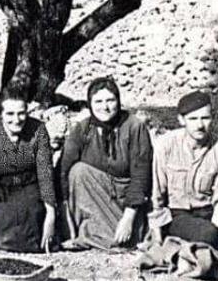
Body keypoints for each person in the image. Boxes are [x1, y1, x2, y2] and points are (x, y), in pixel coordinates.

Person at [60, 77, 153, 250]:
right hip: (94, 199)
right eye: (98, 101)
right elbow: (63, 171)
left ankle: (106, 237)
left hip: (126, 201)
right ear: (90, 104)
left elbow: (141, 175)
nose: (105, 107)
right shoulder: (83, 129)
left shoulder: (134, 127)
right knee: (78, 171)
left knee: (126, 235)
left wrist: (128, 218)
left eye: (110, 100)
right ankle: (92, 234)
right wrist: (64, 217)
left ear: (118, 101)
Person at [150, 91, 218, 265]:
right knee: (207, 235)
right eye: (193, 119)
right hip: (179, 215)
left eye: (205, 118)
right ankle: (191, 250)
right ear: (181, 120)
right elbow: (157, 195)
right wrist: (157, 239)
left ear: (212, 118)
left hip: (211, 212)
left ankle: (200, 252)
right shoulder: (165, 145)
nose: (200, 125)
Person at [0, 85, 56, 253]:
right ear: (0, 114)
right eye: (10, 114)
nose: (17, 119)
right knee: (2, 231)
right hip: (1, 190)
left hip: (30, 188)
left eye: (21, 113)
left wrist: (51, 216)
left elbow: (45, 173)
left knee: (32, 225)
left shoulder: (38, 130)